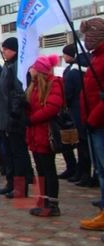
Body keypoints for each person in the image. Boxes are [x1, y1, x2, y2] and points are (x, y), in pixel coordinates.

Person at [24, 54, 64, 217]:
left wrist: (31, 119)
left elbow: (52, 108)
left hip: (45, 132)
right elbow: (30, 106)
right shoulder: (33, 86)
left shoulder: (53, 84)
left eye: (33, 66)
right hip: (34, 133)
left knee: (48, 169)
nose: (30, 69)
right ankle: (43, 201)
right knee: (40, 169)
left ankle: (52, 204)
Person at [0, 37, 33, 199]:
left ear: (14, 50)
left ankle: (20, 187)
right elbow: (6, 89)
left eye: (6, 49)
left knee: (18, 154)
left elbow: (19, 92)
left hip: (14, 118)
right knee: (8, 153)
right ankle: (10, 183)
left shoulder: (17, 66)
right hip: (4, 116)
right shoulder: (7, 65)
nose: (3, 52)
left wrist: (15, 112)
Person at [79, 17, 104, 231]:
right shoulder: (96, 57)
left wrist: (92, 118)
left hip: (99, 121)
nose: (85, 40)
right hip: (93, 120)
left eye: (88, 36)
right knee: (101, 169)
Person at [62, 43, 90, 184]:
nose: (63, 56)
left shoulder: (73, 71)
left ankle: (83, 173)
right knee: (83, 144)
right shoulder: (88, 66)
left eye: (65, 54)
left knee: (81, 143)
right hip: (86, 110)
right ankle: (82, 172)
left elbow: (68, 93)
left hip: (76, 110)